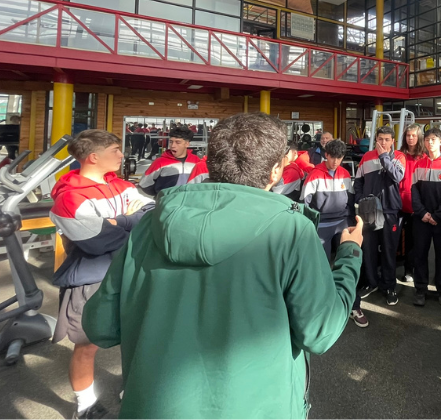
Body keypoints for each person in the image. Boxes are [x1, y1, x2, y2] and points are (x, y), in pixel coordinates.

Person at [81, 113, 364, 419]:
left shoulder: (149, 226)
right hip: (259, 408)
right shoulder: (291, 230)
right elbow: (320, 332)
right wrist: (349, 255)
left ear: (212, 162)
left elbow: (101, 327)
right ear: (275, 171)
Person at [48, 129, 153, 418]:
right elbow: (97, 243)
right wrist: (132, 220)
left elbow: (152, 213)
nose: (122, 155)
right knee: (86, 345)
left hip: (129, 273)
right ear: (94, 156)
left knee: (134, 334)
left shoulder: (121, 185)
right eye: (116, 150)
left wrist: (116, 221)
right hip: (91, 279)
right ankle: (85, 407)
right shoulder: (68, 198)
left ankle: (130, 388)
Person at [301, 140, 365, 327]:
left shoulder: (345, 174)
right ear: (326, 155)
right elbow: (305, 204)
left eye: (339, 158)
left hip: (342, 224)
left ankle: (354, 305)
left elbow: (351, 199)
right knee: (320, 267)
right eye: (332, 157)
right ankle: (320, 308)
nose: (335, 161)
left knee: (349, 262)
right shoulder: (314, 176)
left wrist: (353, 221)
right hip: (321, 226)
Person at [355, 126, 406, 305]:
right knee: (368, 250)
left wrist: (384, 156)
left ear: (393, 141)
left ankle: (389, 286)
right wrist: (360, 198)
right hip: (369, 211)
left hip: (390, 211)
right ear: (375, 139)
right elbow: (358, 180)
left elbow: (398, 176)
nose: (383, 142)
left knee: (389, 251)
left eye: (386, 139)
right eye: (380, 139)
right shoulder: (366, 157)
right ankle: (371, 282)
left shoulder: (399, 157)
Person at [411, 128, 441, 307]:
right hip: (421, 219)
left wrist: (437, 215)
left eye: (433, 139)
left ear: (440, 142)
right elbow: (413, 190)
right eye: (427, 139)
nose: (430, 143)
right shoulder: (419, 164)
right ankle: (420, 288)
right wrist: (422, 213)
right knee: (420, 253)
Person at [138, 126, 200, 196]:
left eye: (177, 142)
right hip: (167, 204)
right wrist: (161, 196)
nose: (173, 145)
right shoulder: (160, 162)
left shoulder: (196, 161)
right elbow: (144, 184)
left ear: (187, 144)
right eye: (171, 142)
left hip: (190, 203)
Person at [399, 124, 426, 283]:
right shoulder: (399, 155)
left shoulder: (423, 157)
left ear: (419, 137)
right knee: (403, 241)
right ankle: (405, 269)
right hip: (400, 204)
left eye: (413, 135)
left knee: (416, 241)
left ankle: (412, 270)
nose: (410, 138)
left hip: (417, 206)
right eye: (408, 135)